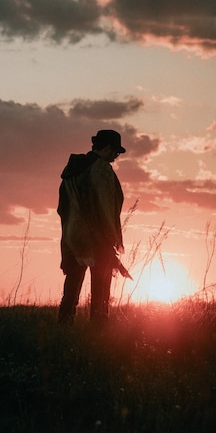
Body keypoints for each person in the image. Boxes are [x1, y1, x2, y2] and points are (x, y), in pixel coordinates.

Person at [57, 129, 129, 326]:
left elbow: (62, 208)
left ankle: (63, 330)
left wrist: (71, 230)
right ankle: (97, 334)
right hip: (97, 238)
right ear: (107, 148)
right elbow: (104, 207)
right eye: (116, 152)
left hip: (73, 237)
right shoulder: (101, 170)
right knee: (101, 288)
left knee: (71, 287)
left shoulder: (71, 171)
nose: (116, 157)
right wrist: (109, 240)